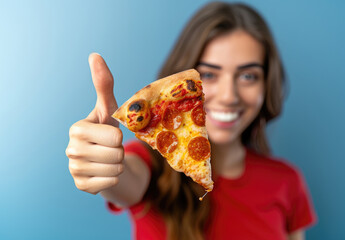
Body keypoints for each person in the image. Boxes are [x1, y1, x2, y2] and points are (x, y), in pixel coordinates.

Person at [66, 2, 316, 240]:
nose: (229, 96)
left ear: (267, 84)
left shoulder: (288, 180)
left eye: (248, 75)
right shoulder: (150, 163)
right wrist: (102, 161)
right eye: (208, 74)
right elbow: (123, 177)